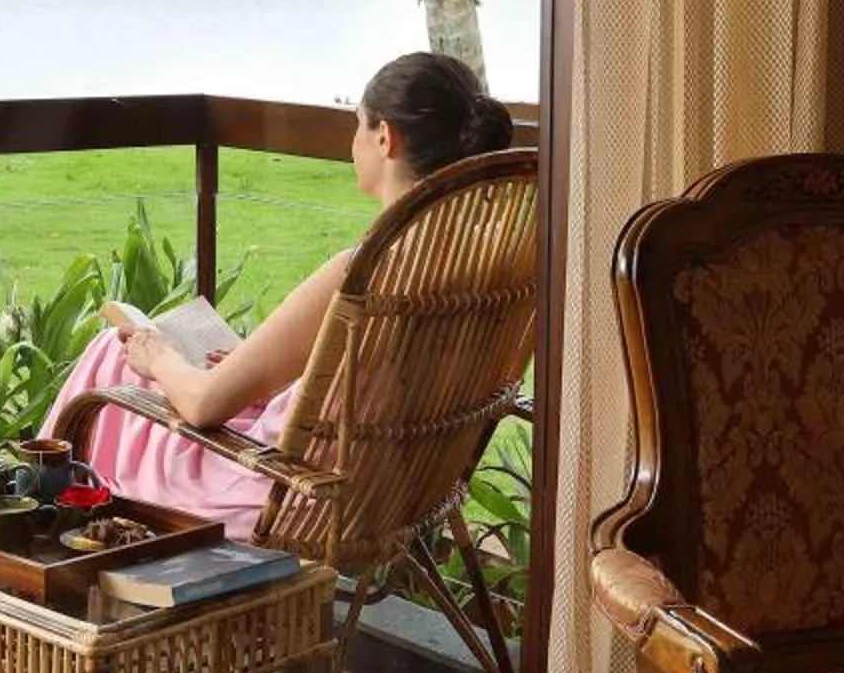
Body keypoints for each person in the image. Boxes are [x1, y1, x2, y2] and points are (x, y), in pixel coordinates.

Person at [41, 51, 516, 540]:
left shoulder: (369, 271)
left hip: (282, 492)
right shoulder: (492, 266)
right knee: (189, 364)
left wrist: (157, 357)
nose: (352, 143)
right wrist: (276, 382)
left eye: (357, 125)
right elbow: (381, 387)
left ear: (384, 137)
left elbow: (203, 405)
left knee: (114, 353)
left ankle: (46, 534)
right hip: (384, 492)